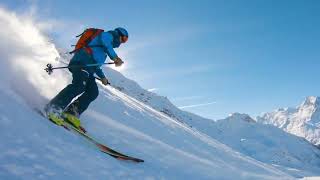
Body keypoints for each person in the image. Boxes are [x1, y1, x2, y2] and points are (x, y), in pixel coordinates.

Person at [45, 27, 128, 127]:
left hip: (89, 69)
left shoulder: (103, 52)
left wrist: (102, 77)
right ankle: (54, 107)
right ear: (118, 34)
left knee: (93, 92)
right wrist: (115, 57)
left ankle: (71, 112)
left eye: (125, 41)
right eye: (123, 39)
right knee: (79, 86)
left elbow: (96, 66)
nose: (123, 42)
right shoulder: (108, 35)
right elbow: (106, 43)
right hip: (81, 62)